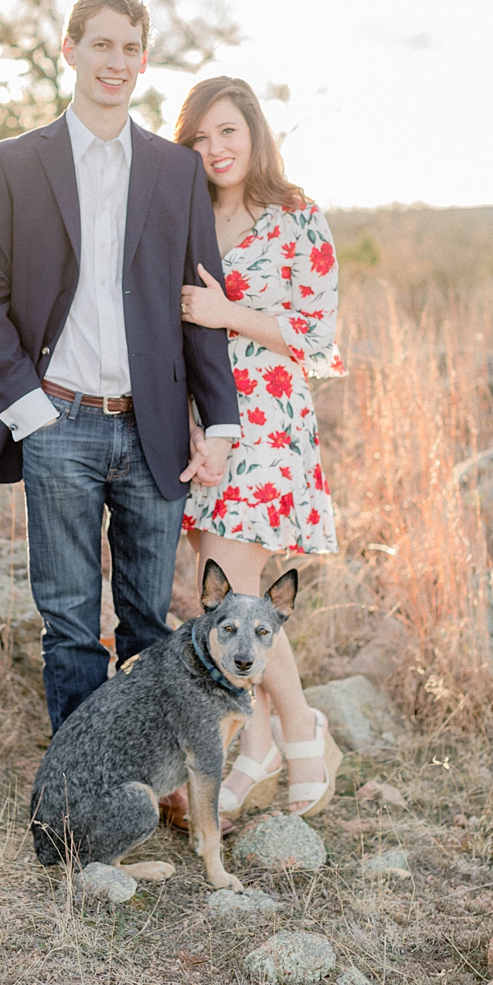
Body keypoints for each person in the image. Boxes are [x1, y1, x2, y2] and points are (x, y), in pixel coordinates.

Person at [0, 0, 240, 734]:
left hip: (155, 432)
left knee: (150, 624)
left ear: (143, 62)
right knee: (70, 624)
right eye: (101, 45)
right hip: (57, 423)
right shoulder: (16, 163)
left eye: (128, 49)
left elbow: (198, 300)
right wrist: (26, 409)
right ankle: (79, 795)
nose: (115, 62)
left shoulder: (174, 171)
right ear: (70, 51)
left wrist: (218, 423)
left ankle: (143, 778)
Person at [173, 76, 346, 820]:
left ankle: (292, 733)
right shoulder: (182, 218)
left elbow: (316, 335)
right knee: (217, 590)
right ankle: (263, 741)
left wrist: (227, 311)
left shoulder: (296, 215)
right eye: (200, 137)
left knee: (235, 594)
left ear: (254, 134)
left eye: (227, 132)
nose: (215, 149)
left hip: (269, 416)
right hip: (201, 422)